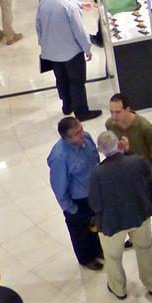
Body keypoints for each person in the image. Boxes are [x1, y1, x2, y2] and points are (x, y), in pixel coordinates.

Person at [88, 130, 152, 299]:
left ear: (100, 151)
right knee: (145, 249)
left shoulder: (96, 174)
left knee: (113, 257)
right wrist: (128, 151)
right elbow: (149, 175)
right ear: (119, 144)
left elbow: (95, 204)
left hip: (112, 223)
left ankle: (118, 288)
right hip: (139, 215)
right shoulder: (136, 161)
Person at [105, 95, 152, 250]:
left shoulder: (144, 127)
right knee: (133, 208)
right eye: (111, 112)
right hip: (126, 176)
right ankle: (136, 235)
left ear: (128, 109)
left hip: (147, 176)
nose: (113, 116)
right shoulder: (110, 125)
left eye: (117, 112)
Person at [36, 0, 98, 117]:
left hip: (52, 52)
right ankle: (82, 111)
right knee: (77, 82)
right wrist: (87, 48)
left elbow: (38, 25)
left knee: (61, 79)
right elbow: (79, 31)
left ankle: (67, 106)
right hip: (71, 52)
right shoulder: (69, 7)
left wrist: (43, 44)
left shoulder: (45, 1)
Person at [47, 116, 103, 270]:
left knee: (95, 225)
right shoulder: (60, 157)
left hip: (93, 194)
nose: (82, 134)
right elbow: (59, 188)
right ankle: (86, 258)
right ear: (66, 138)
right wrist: (72, 209)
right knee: (80, 232)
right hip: (77, 201)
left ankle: (98, 250)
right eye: (77, 134)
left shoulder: (87, 137)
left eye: (81, 129)